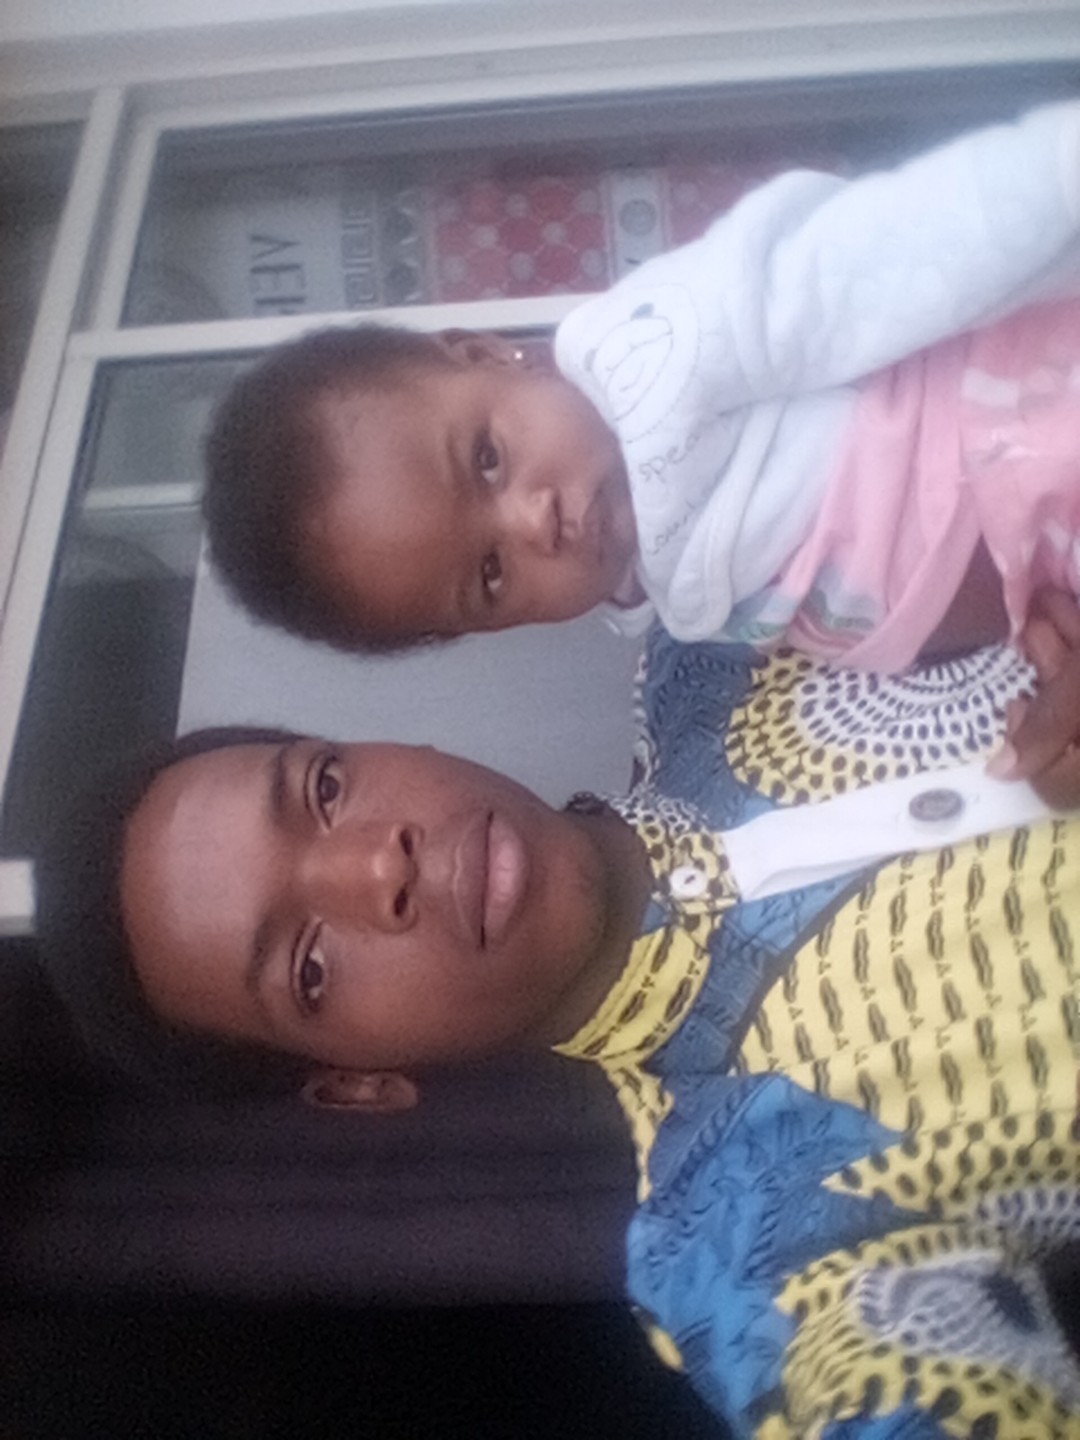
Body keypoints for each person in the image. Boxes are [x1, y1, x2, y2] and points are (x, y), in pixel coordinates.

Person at [35, 610, 1080, 1437]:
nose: (378, 863)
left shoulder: (719, 625)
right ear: (359, 1083)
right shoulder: (736, 1227)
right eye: (308, 964)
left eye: (325, 786)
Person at [205, 101, 1080, 685]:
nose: (535, 524)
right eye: (491, 575)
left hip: (1030, 421)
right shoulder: (657, 591)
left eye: (487, 460)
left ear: (485, 353)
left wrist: (1057, 175)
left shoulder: (665, 349)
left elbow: (897, 249)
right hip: (1041, 561)